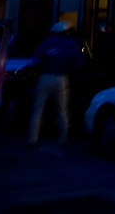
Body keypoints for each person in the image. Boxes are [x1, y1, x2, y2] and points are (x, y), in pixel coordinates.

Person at [27, 20, 85, 148]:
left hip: (45, 76)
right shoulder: (71, 44)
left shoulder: (46, 43)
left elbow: (36, 60)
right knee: (62, 111)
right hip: (61, 78)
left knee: (37, 110)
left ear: (54, 31)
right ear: (66, 32)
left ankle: (32, 140)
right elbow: (78, 62)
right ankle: (63, 139)